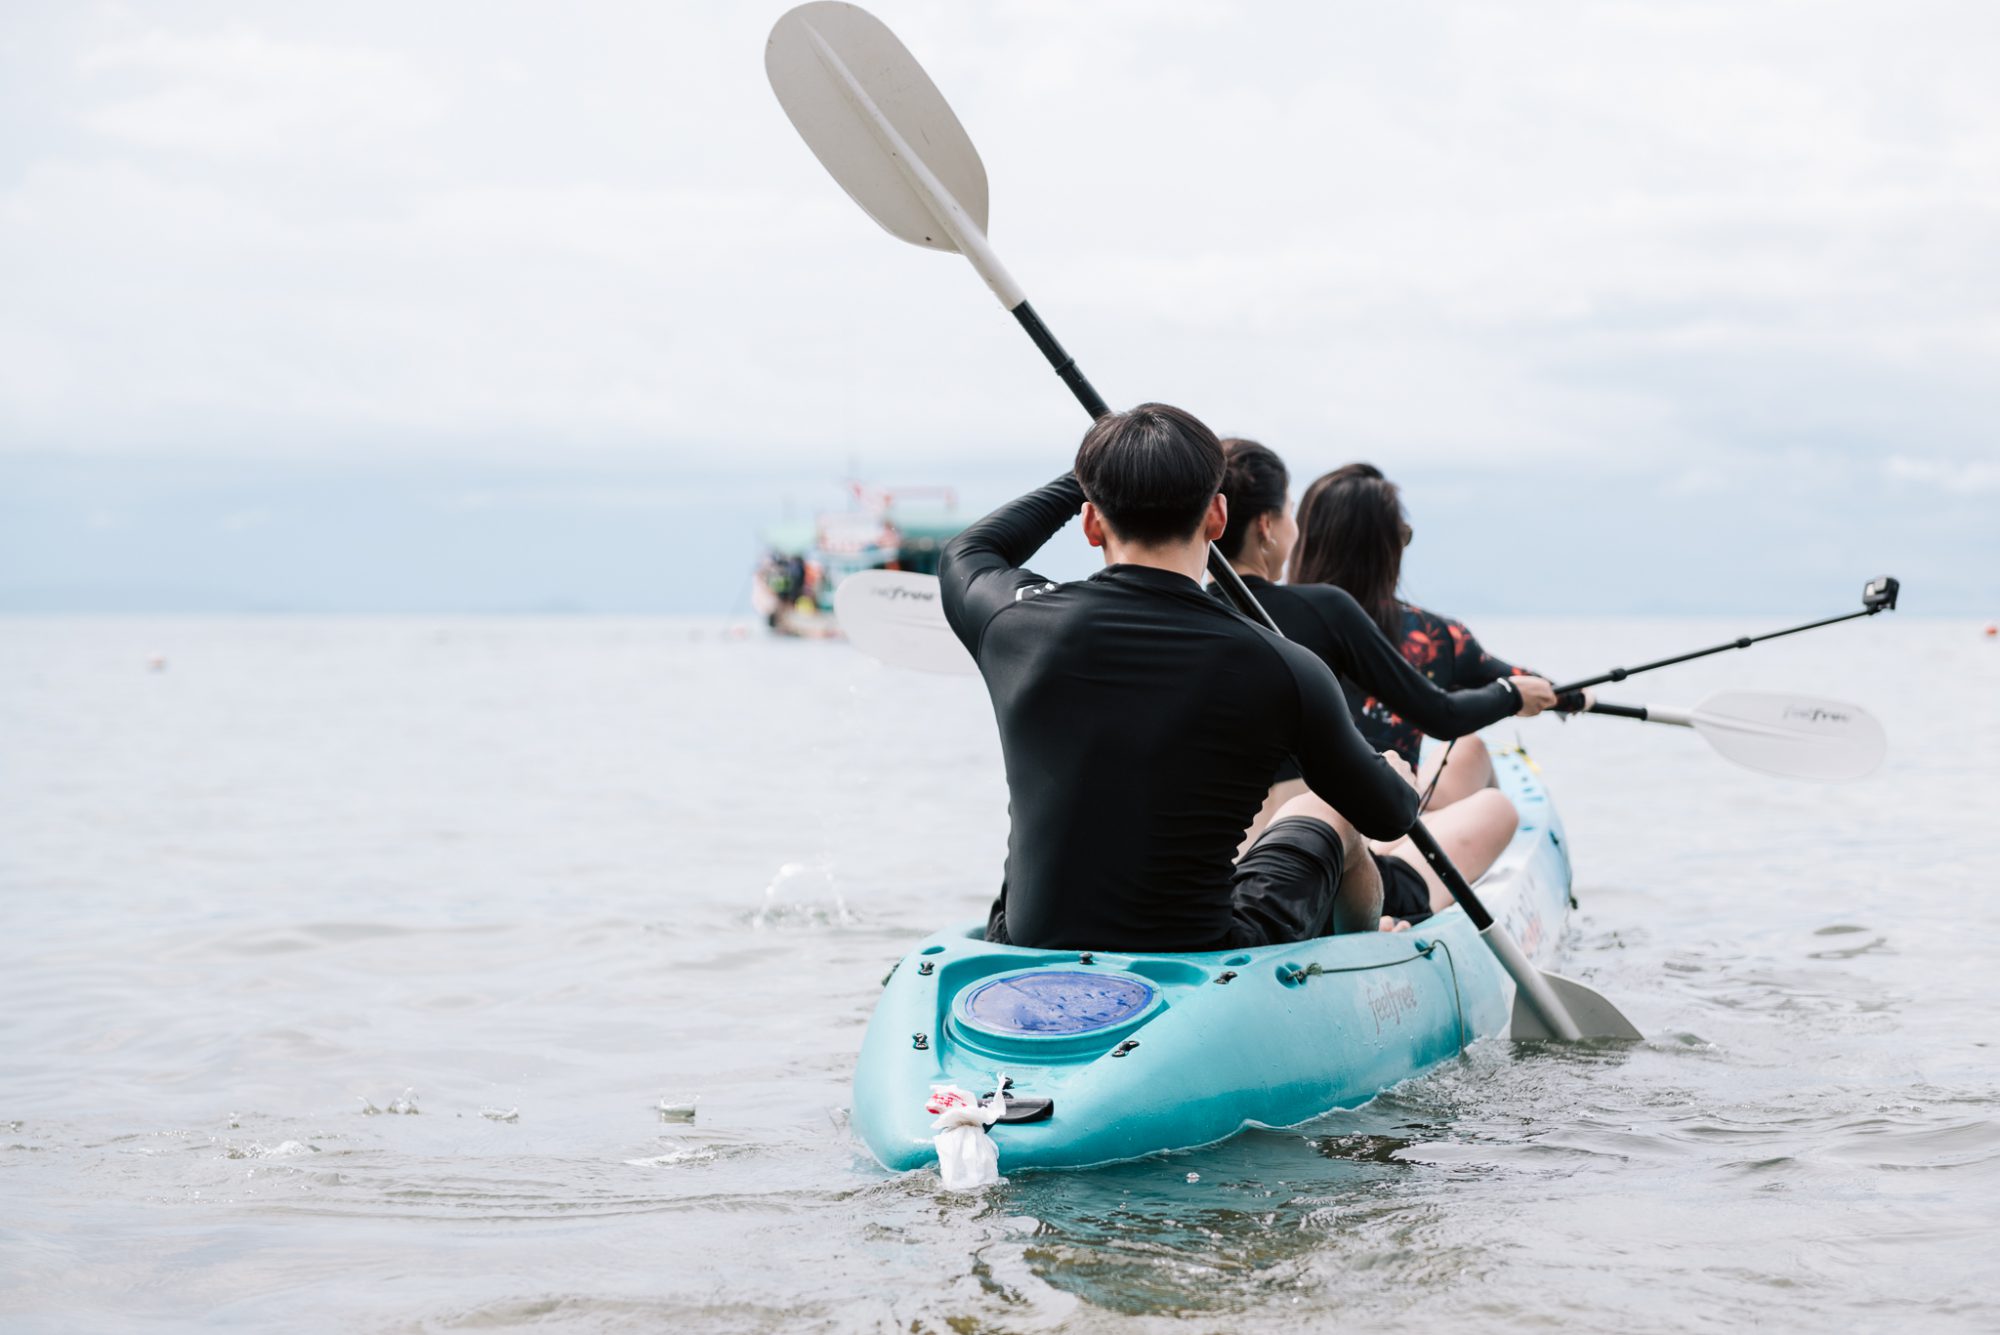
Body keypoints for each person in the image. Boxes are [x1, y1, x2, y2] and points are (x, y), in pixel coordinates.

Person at [937, 404, 1422, 952]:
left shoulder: (1013, 623)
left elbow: (969, 550)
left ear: (1092, 523)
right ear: (1216, 517)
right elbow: (1389, 816)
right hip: (1198, 948)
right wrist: (1398, 776)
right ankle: (1355, 958)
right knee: (1319, 808)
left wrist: (1091, 475)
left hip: (1027, 940)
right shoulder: (1285, 665)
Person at [1215, 439, 1557, 923]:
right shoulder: (1332, 612)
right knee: (1494, 804)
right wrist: (1512, 694)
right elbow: (1441, 714)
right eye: (1289, 513)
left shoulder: (1181, 618)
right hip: (1313, 867)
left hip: (1231, 868)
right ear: (1267, 527)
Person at [1289, 461, 1584, 913]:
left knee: (1465, 748)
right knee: (1474, 762)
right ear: (1387, 548)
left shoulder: (1268, 624)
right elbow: (1522, 683)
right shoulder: (1432, 637)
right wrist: (1570, 696)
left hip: (1288, 829)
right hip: (1379, 823)